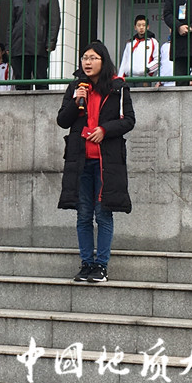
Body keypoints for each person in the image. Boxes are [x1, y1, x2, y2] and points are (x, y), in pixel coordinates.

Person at [57, 41, 135, 283]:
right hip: (80, 162)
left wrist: (104, 130)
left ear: (103, 60)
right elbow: (62, 120)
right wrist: (75, 101)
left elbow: (129, 120)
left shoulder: (117, 87)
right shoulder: (76, 87)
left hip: (106, 162)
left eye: (92, 58)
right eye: (84, 58)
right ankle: (86, 264)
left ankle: (101, 266)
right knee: (83, 215)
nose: (87, 62)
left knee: (103, 214)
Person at [7, 0, 61, 90]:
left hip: (39, 46)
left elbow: (54, 21)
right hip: (19, 45)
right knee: (21, 82)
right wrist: (9, 45)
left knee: (41, 80)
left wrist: (51, 43)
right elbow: (11, 23)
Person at [118, 14, 159, 84]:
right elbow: (124, 61)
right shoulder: (130, 43)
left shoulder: (153, 42)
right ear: (135, 27)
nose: (141, 27)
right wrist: (120, 78)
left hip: (144, 78)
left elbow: (157, 60)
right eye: (139, 25)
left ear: (148, 27)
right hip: (129, 78)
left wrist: (147, 69)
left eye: (144, 25)